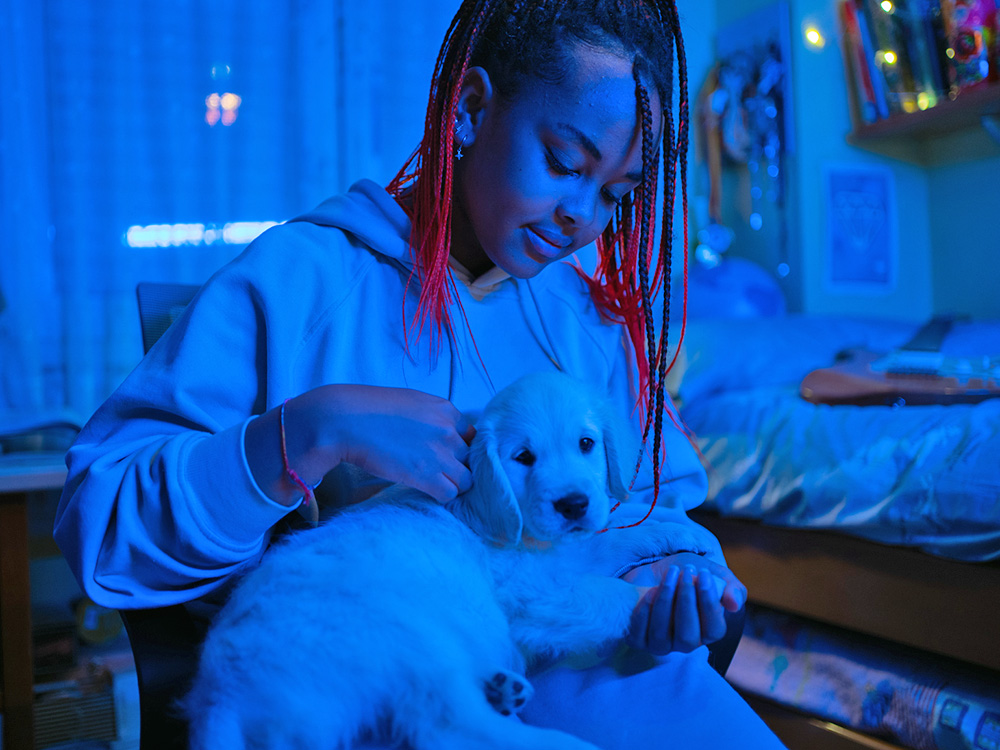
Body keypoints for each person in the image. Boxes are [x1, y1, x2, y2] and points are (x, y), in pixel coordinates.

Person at [55, 0, 786, 747]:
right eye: (566, 165)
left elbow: (658, 510)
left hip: (586, 664)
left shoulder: (587, 320)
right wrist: (307, 431)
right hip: (379, 675)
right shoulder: (301, 282)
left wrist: (665, 577)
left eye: (615, 193)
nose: (584, 218)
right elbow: (102, 525)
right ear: (469, 109)